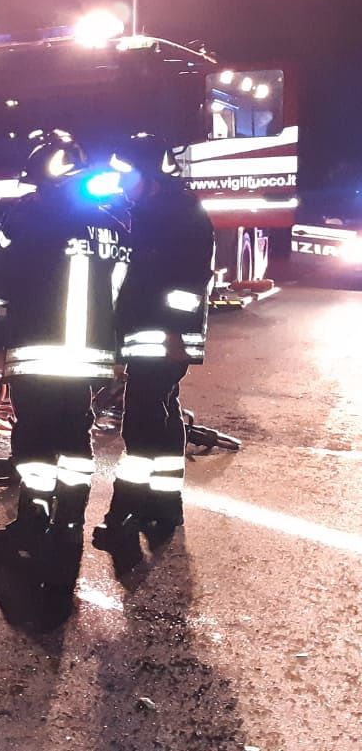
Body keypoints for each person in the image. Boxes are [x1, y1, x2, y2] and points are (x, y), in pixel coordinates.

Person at [0, 129, 131, 599]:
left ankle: (33, 526)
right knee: (74, 439)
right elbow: (123, 296)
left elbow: (0, 281)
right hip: (92, 360)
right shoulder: (115, 226)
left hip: (39, 356)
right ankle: (68, 528)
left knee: (34, 443)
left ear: (48, 180)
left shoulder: (40, 220)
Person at [92, 134, 215, 559]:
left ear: (150, 176)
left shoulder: (179, 216)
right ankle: (164, 507)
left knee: (141, 424)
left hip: (162, 338)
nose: (122, 186)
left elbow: (189, 282)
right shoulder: (153, 212)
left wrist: (175, 333)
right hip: (150, 335)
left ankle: (124, 516)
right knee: (162, 417)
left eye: (127, 177)